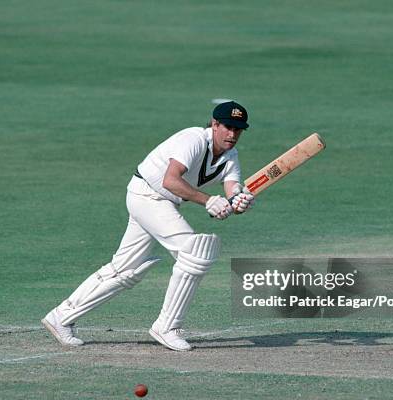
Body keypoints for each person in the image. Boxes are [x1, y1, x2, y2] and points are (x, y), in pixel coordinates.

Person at [42, 101, 255, 351]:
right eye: (228, 127)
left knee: (124, 270)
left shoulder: (230, 157)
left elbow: (232, 190)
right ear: (215, 124)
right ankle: (167, 327)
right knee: (196, 251)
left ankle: (61, 316)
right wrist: (208, 201)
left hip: (160, 203)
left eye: (238, 129)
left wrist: (238, 200)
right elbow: (170, 180)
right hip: (148, 195)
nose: (232, 134)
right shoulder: (194, 139)